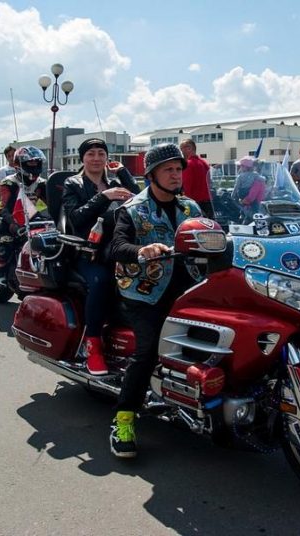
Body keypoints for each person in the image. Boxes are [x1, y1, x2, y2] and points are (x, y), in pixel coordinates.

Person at [108, 143, 204, 458]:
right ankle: (123, 420)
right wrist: (141, 250)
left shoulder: (191, 208)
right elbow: (116, 247)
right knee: (148, 350)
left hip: (190, 289)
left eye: (178, 169)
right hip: (145, 292)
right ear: (151, 175)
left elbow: (218, 235)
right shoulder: (133, 209)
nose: (176, 175)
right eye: (168, 170)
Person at [63, 138, 139, 375]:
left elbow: (142, 202)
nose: (96, 158)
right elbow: (75, 218)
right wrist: (104, 196)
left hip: (119, 248)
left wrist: (124, 174)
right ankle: (93, 345)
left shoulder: (115, 182)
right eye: (91, 154)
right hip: (88, 252)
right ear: (82, 158)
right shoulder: (73, 183)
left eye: (101, 154)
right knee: (101, 281)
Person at [0, 146, 48, 284]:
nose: (34, 165)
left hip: (30, 217)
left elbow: (52, 204)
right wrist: (14, 224)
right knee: (7, 242)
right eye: (30, 162)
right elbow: (5, 208)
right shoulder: (10, 182)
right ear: (20, 164)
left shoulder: (41, 183)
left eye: (36, 162)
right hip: (7, 218)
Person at [179, 138, 213, 218]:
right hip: (208, 203)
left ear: (190, 148)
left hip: (195, 204)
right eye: (181, 149)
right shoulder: (204, 163)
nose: (181, 151)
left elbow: (187, 187)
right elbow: (210, 182)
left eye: (182, 148)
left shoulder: (188, 164)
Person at [231, 156, 267, 221]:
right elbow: (262, 179)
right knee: (254, 204)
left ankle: (241, 215)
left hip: (242, 193)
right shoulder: (255, 175)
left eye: (241, 166)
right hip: (249, 192)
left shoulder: (240, 176)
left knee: (239, 203)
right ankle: (255, 215)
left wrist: (232, 195)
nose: (240, 168)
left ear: (245, 167)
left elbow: (236, 187)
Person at [0, 145, 17, 212]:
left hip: (23, 206)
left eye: (13, 155)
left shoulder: (23, 170)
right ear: (6, 158)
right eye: (9, 156)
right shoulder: (1, 171)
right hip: (7, 207)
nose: (11, 158)